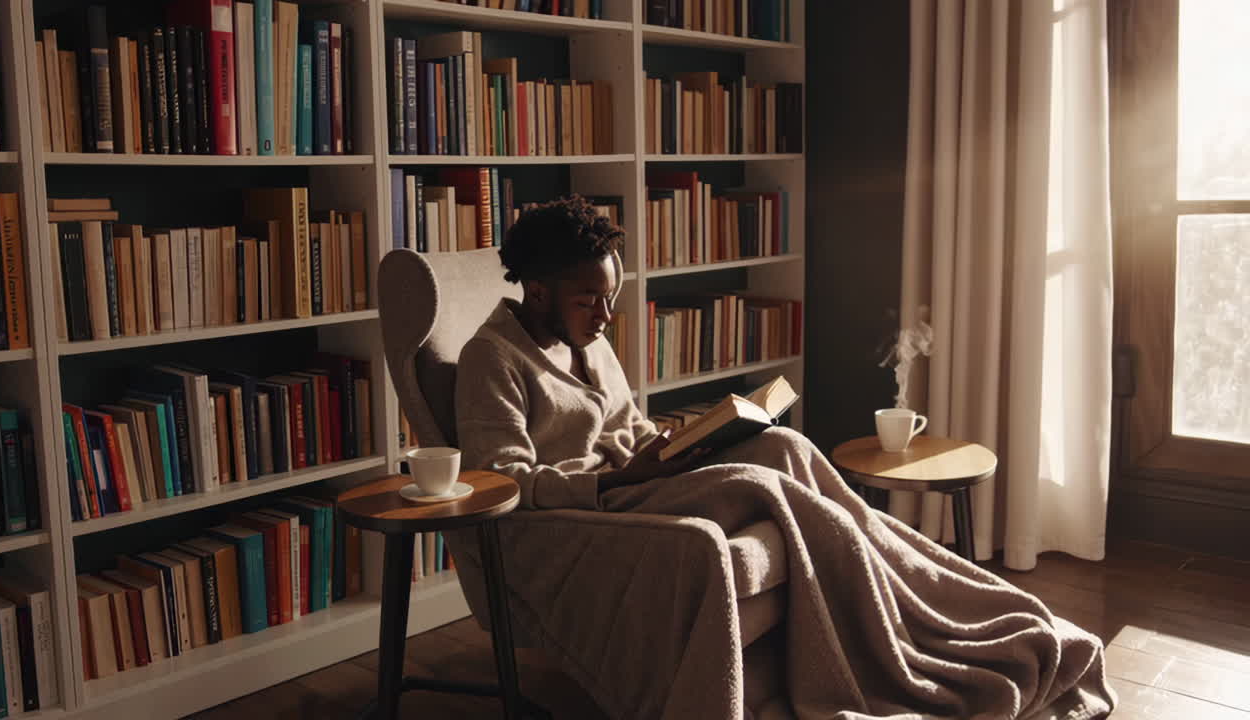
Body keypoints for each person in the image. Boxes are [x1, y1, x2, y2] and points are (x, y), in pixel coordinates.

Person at [454, 195, 1115, 719]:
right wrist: (620, 474)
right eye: (589, 300)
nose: (605, 314)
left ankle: (901, 591)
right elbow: (503, 479)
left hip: (638, 476)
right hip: (586, 513)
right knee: (757, 484)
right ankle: (880, 633)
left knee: (783, 443)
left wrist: (677, 441)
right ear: (537, 292)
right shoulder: (493, 358)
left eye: (611, 297)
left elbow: (625, 423)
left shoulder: (586, 338)